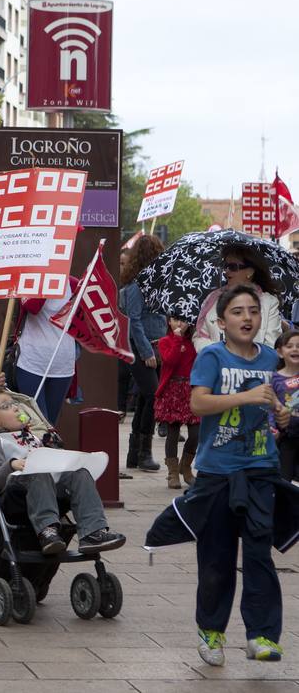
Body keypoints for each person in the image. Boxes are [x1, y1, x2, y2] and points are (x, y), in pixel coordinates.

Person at [186, 285, 289, 665]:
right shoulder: (212, 357)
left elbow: (276, 405)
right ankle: (211, 633)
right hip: (217, 472)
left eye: (253, 311)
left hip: (261, 468)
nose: (247, 318)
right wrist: (245, 397)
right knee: (217, 557)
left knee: (260, 552)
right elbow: (198, 402)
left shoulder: (269, 359)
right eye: (238, 312)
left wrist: (280, 415)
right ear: (221, 321)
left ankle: (262, 635)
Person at [0, 389, 125, 556]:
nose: (16, 408)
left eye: (15, 404)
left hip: (49, 488)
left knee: (80, 474)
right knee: (39, 472)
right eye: (6, 406)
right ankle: (47, 531)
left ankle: (92, 532)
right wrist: (12, 464)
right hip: (16, 493)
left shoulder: (33, 436)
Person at [120, 234, 166, 472]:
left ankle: (135, 453)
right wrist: (147, 351)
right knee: (152, 395)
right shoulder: (137, 285)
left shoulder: (154, 284)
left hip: (157, 345)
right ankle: (144, 451)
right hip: (141, 348)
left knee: (144, 398)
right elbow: (134, 321)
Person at [193, 244, 283, 351]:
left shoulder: (269, 303)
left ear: (250, 272)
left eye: (233, 267)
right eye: (226, 266)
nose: (227, 271)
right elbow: (199, 337)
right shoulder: (212, 299)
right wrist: (221, 353)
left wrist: (242, 356)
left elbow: (272, 345)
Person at [12, 283, 78, 425]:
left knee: (50, 425)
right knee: (37, 424)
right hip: (31, 362)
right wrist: (49, 280)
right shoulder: (33, 281)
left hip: (62, 363)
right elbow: (32, 307)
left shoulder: (74, 284)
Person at [157, 317, 200, 489]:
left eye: (183, 321)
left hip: (190, 389)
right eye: (175, 320)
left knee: (196, 433)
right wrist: (177, 339)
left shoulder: (194, 343)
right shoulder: (165, 341)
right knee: (173, 433)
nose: (180, 324)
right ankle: (172, 473)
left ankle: (186, 466)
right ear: (169, 322)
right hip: (172, 389)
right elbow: (170, 361)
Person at [270, 330, 299, 482]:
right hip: (285, 436)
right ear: (280, 352)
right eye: (290, 346)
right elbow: (269, 406)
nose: (295, 349)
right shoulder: (274, 378)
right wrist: (271, 426)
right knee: (283, 478)